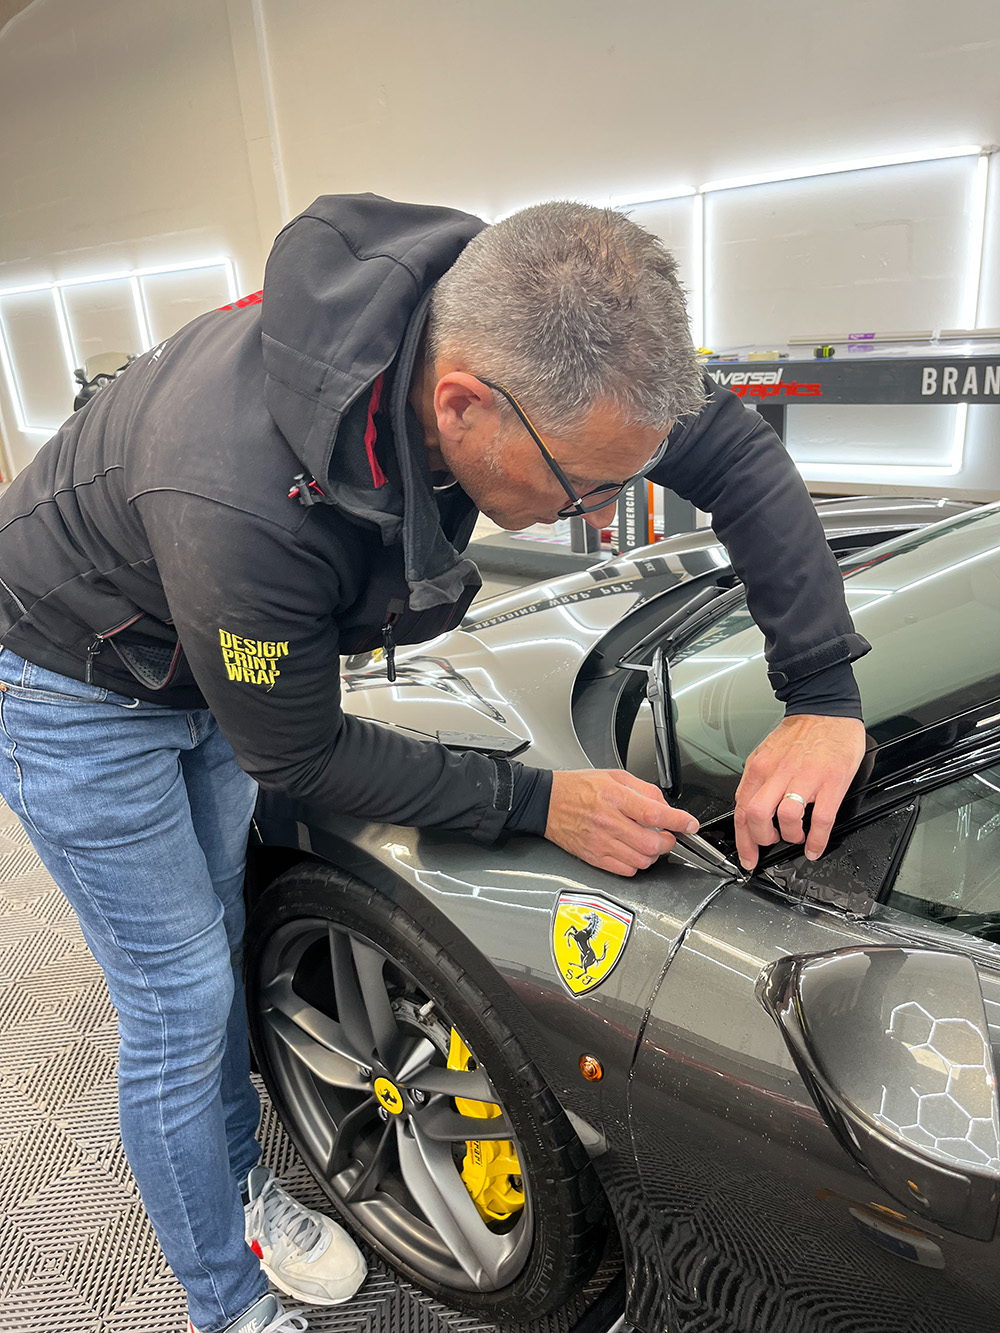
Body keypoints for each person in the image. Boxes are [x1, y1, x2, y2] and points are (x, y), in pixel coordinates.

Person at [0, 196, 868, 1333]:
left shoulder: (552, 331)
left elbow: (739, 461)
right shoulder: (241, 498)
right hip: (74, 680)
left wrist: (822, 695)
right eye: (588, 491)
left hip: (197, 639)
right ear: (460, 407)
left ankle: (229, 1175)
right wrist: (539, 801)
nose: (605, 520)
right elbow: (298, 747)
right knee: (179, 993)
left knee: (214, 929)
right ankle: (223, 1292)